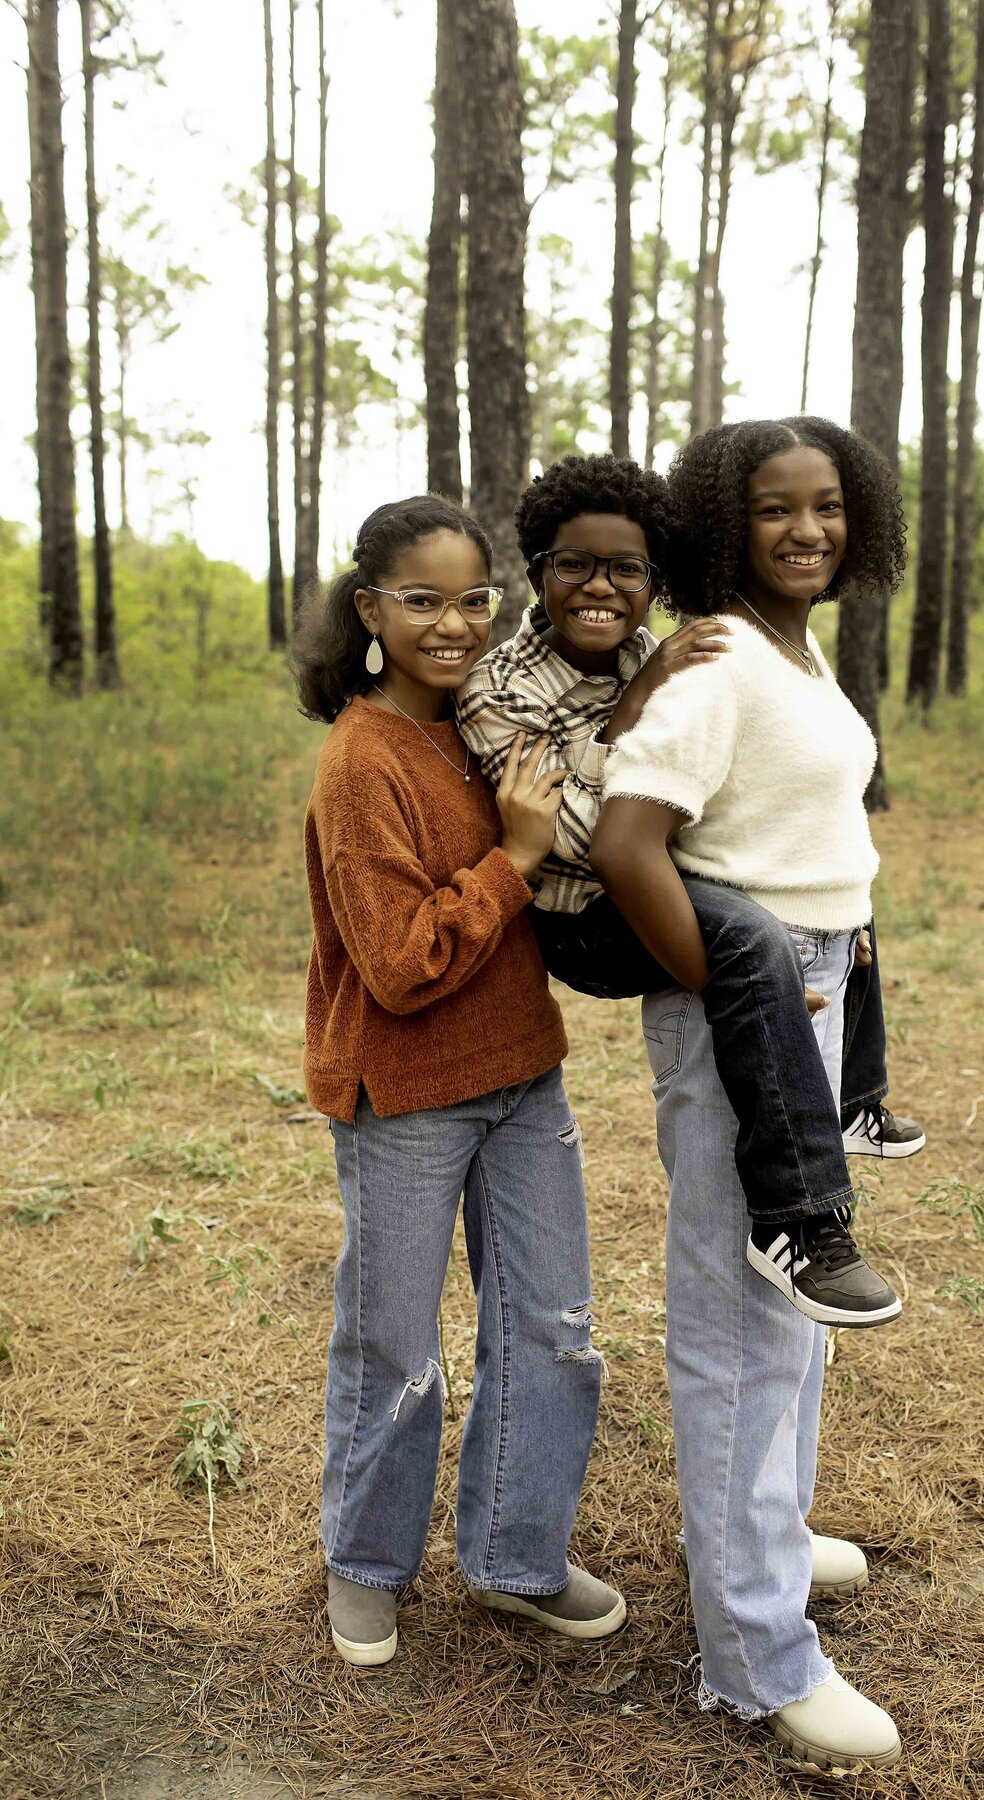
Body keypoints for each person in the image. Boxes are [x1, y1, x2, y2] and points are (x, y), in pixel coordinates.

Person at [588, 418, 907, 1772]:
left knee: (794, 1323)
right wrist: (725, 994)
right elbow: (625, 840)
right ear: (727, 522)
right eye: (776, 511)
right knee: (741, 1326)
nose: (808, 531)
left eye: (828, 507)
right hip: (751, 1010)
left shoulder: (791, 640)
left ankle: (765, 1541)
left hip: (811, 991)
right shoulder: (717, 656)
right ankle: (758, 1654)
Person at [457, 453, 911, 1328]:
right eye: (575, 565)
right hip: (582, 919)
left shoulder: (654, 650)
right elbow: (575, 836)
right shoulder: (500, 686)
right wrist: (636, 708)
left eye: (627, 570)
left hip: (643, 884)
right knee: (751, 942)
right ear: (537, 570)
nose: (602, 587)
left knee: (834, 893)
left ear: (655, 580)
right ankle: (802, 1222)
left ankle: (857, 1102)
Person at [293, 495, 625, 1668]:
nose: (454, 623)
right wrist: (515, 858)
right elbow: (398, 963)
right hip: (407, 1094)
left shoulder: (492, 726)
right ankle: (366, 1566)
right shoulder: (360, 759)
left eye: (474, 597)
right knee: (397, 1346)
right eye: (422, 600)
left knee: (552, 1329)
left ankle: (514, 1557)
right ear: (370, 607)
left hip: (524, 1077)